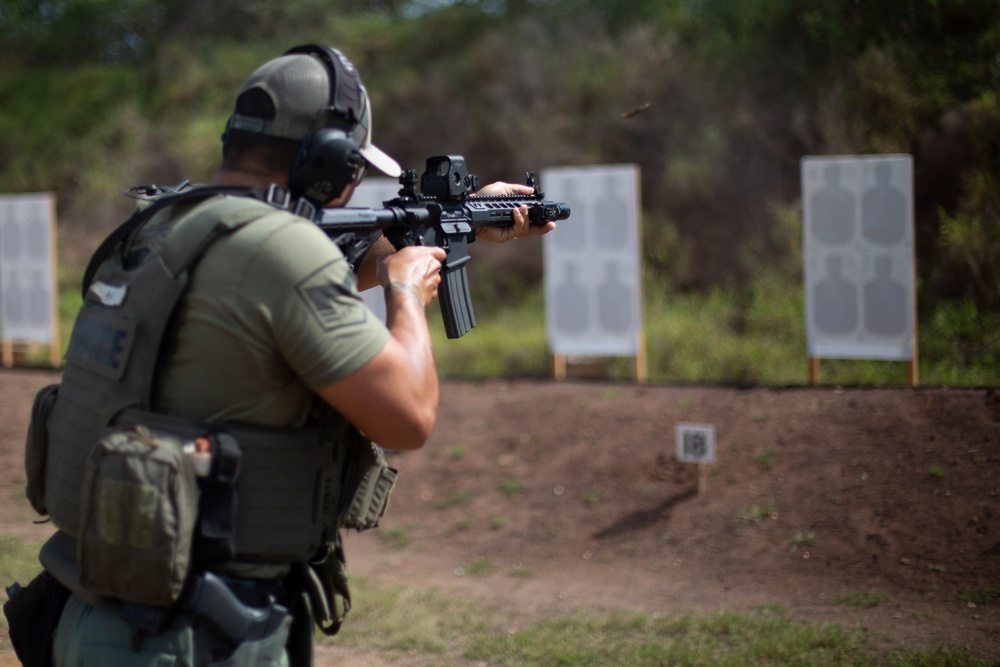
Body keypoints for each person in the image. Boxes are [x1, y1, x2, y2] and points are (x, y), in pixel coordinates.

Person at [19, 44, 553, 667]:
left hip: (96, 610)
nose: (352, 180)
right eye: (351, 164)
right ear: (326, 160)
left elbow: (291, 278)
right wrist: (407, 293)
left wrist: (457, 221)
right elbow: (408, 417)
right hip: (194, 638)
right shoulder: (279, 256)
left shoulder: (156, 229)